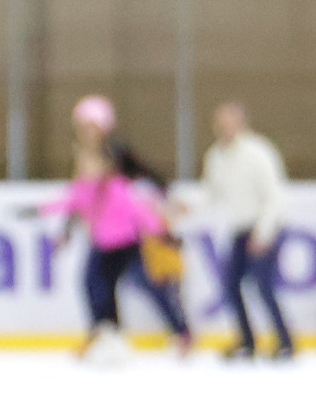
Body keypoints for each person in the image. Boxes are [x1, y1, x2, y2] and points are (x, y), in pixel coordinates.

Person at [40, 95, 190, 362]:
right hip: (101, 235)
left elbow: (145, 174)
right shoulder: (83, 154)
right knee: (93, 284)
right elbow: (79, 198)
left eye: (90, 126)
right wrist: (66, 230)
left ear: (103, 126)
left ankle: (181, 332)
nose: (85, 131)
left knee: (148, 283)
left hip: (126, 233)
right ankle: (105, 333)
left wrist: (165, 202)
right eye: (82, 126)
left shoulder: (116, 152)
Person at [195, 101, 295, 361]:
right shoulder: (216, 155)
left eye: (229, 121)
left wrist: (263, 233)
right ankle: (248, 341)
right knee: (230, 286)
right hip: (241, 229)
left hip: (267, 225)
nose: (224, 127)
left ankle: (285, 342)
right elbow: (211, 194)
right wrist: (187, 205)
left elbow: (274, 196)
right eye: (220, 122)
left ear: (241, 123)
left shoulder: (257, 152)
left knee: (263, 286)